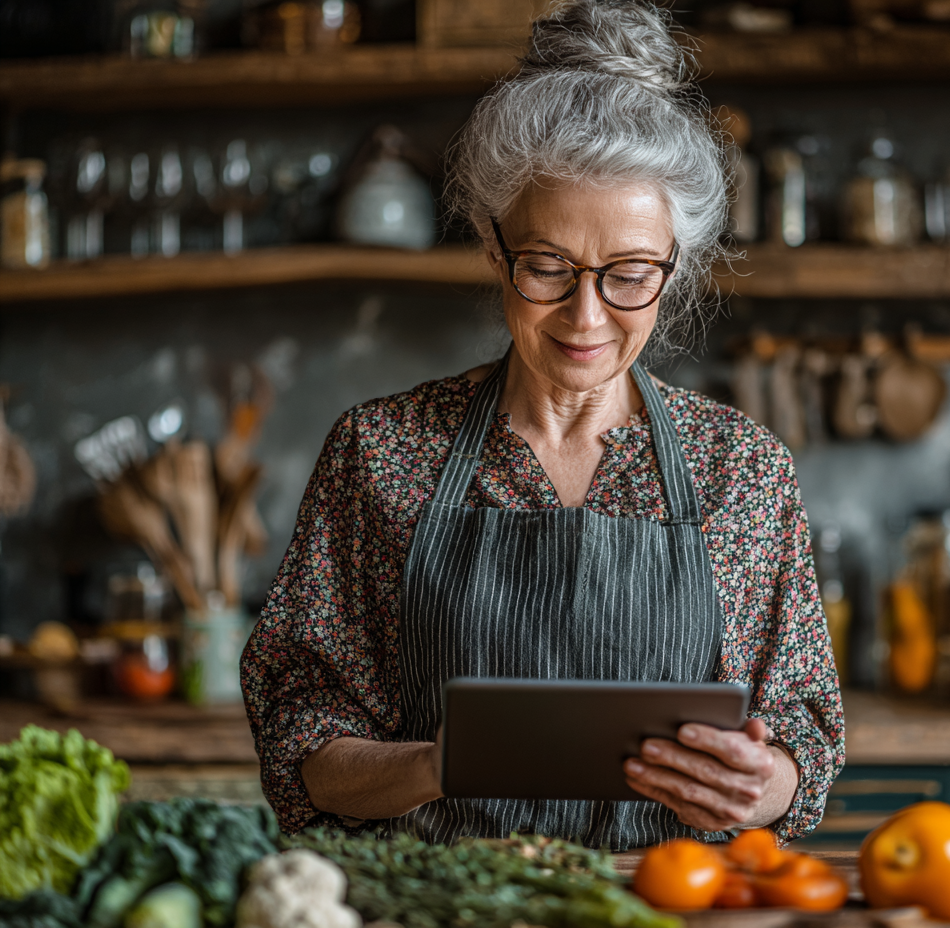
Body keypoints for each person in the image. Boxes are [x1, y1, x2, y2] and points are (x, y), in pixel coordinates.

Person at [241, 0, 843, 850]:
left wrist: (762, 785)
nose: (587, 316)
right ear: (493, 250)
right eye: (549, 267)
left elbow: (803, 742)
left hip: (666, 907)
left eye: (631, 273)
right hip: (442, 906)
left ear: (677, 266)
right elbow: (301, 742)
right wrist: (436, 765)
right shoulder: (380, 452)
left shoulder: (740, 469)